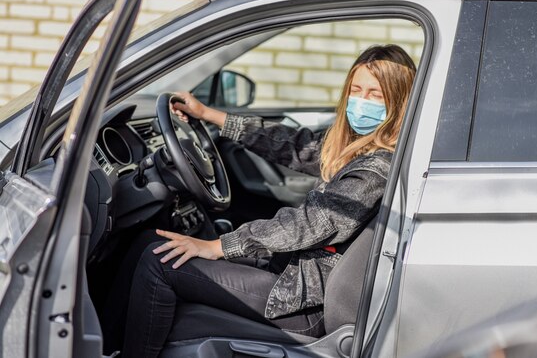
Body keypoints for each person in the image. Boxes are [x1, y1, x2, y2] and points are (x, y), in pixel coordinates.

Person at [121, 44, 417, 358]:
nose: (361, 102)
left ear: (398, 103)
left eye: (375, 95)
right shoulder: (358, 150)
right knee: (147, 241)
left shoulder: (376, 168)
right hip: (293, 271)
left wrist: (217, 246)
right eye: (356, 91)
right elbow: (292, 145)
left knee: (158, 261)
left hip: (301, 301)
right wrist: (207, 114)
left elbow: (311, 223)